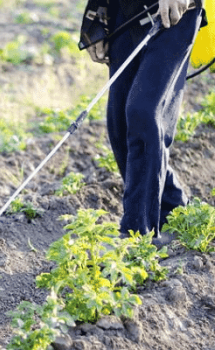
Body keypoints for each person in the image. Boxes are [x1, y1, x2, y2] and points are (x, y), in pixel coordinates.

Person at [78, 0, 206, 246]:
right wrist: (96, 18)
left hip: (174, 12)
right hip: (124, 12)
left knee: (144, 113)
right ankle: (173, 208)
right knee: (120, 125)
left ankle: (138, 236)